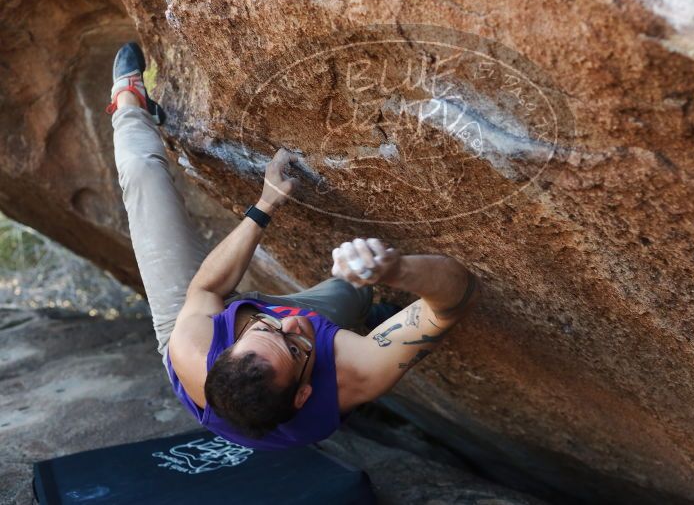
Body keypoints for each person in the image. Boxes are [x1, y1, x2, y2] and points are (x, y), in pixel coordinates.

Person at [108, 42, 480, 450]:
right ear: (304, 393)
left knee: (142, 174)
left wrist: (264, 204)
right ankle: (366, 311)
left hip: (199, 308)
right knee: (356, 287)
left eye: (265, 327)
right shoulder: (351, 374)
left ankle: (129, 102)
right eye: (294, 347)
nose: (289, 322)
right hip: (284, 349)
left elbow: (207, 290)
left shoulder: (192, 346)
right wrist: (396, 268)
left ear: (225, 349)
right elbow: (457, 297)